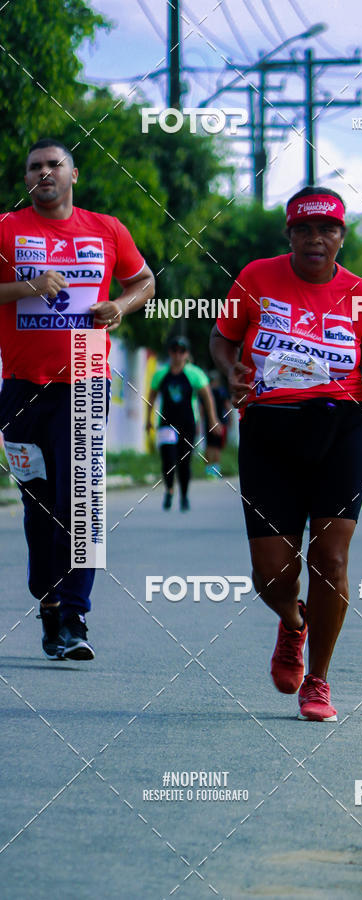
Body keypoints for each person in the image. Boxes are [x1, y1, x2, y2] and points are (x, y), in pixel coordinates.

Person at [209, 185, 362, 722]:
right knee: (272, 573)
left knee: (330, 559)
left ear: (342, 236)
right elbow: (222, 339)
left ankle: (318, 680)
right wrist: (230, 369)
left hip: (342, 430)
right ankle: (293, 624)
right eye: (304, 229)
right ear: (289, 235)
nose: (316, 239)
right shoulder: (256, 278)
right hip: (269, 431)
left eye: (327, 229)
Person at [0, 138, 154, 659]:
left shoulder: (106, 229)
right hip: (21, 385)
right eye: (34, 167)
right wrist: (28, 287)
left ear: (74, 174)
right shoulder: (7, 228)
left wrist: (120, 306)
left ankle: (74, 616)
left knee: (82, 501)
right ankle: (47, 604)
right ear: (26, 179)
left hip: (87, 375)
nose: (44, 172)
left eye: (54, 164)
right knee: (38, 503)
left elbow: (144, 281)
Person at [146, 336, 221, 510]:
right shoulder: (161, 374)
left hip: (188, 424)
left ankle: (184, 495)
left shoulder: (194, 374)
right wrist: (148, 420)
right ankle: (169, 489)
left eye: (182, 351)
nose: (178, 355)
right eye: (174, 351)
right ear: (170, 352)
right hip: (166, 424)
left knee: (184, 461)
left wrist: (213, 419)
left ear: (186, 354)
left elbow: (207, 397)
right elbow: (151, 397)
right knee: (168, 459)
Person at [203, 370, 232, 479]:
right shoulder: (221, 391)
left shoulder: (206, 391)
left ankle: (208, 471)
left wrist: (199, 422)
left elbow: (201, 409)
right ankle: (215, 471)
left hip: (208, 422)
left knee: (208, 446)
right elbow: (227, 406)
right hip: (220, 422)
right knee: (217, 447)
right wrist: (230, 420)